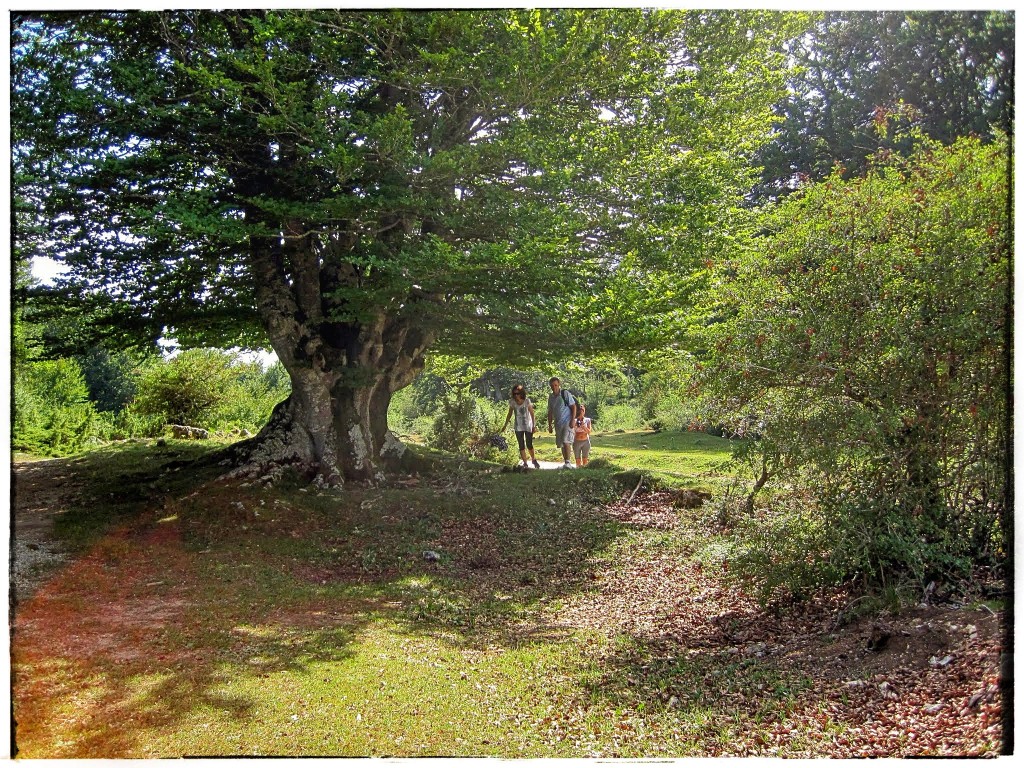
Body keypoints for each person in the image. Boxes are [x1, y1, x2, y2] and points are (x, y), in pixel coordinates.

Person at [502, 384, 541, 469]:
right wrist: (505, 425)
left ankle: (533, 459)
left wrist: (534, 425)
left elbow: (532, 413)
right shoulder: (512, 402)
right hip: (518, 426)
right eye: (514, 394)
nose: (516, 395)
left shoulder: (527, 401)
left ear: (521, 393)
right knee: (521, 445)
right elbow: (509, 414)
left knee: (529, 444)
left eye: (518, 393)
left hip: (528, 425)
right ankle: (525, 463)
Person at [546, 377, 577, 469]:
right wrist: (550, 425)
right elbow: (550, 411)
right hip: (558, 423)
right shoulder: (551, 397)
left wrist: (572, 420)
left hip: (567, 421)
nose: (554, 387)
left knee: (566, 441)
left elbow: (573, 406)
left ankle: (568, 462)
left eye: (555, 385)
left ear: (559, 384)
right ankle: (566, 463)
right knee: (561, 444)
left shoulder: (565, 393)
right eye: (552, 386)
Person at [572, 402, 592, 467]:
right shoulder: (574, 420)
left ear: (584, 412)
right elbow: (572, 431)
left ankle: (584, 472)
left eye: (582, 411)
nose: (581, 412)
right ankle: (578, 471)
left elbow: (589, 432)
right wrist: (575, 425)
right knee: (577, 460)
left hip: (585, 441)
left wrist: (584, 426)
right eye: (580, 411)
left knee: (585, 459)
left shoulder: (587, 420)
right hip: (577, 441)